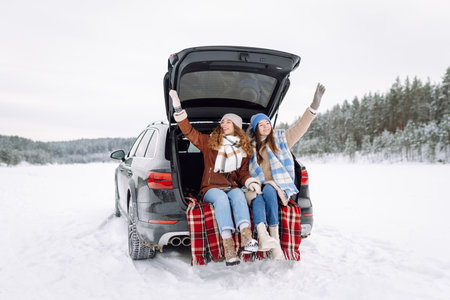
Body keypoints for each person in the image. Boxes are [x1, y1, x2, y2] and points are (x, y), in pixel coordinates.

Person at [170, 89, 261, 266]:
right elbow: (188, 130)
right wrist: (178, 107)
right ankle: (229, 249)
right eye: (223, 121)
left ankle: (247, 238)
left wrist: (251, 182)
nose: (224, 123)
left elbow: (242, 174)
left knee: (238, 196)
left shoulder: (243, 150)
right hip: (210, 188)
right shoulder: (209, 142)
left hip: (231, 186)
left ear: (236, 127)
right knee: (221, 199)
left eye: (229, 121)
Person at [246, 83, 326, 260]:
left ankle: (274, 239)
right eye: (261, 124)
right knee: (258, 195)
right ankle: (264, 236)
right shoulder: (250, 148)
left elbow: (300, 127)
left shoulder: (281, 139)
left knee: (267, 189)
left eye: (268, 123)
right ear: (255, 128)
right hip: (258, 185)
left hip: (279, 186)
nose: (266, 126)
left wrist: (313, 107)